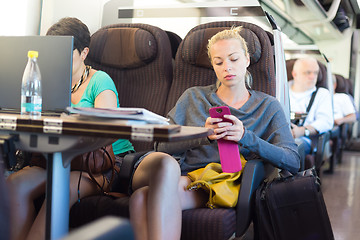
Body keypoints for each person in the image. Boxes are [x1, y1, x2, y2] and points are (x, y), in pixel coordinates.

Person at [128, 26, 300, 240]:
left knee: (143, 199)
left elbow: (292, 160)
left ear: (247, 59)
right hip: (181, 173)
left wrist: (245, 137)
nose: (227, 67)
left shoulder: (268, 106)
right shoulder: (193, 97)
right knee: (150, 184)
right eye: (219, 62)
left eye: (234, 59)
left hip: (223, 181)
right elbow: (161, 148)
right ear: (213, 66)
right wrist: (203, 134)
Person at [6, 17, 134, 240]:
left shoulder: (99, 80)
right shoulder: (44, 81)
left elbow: (105, 130)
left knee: (60, 191)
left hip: (102, 163)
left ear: (84, 53)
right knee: (14, 186)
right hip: (55, 158)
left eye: (66, 53)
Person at [289, 57, 333, 155]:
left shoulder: (322, 94)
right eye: (308, 72)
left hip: (304, 139)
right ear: (294, 74)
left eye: (316, 73)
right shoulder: (281, 89)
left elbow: (326, 122)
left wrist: (303, 131)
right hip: (280, 135)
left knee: (290, 147)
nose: (313, 77)